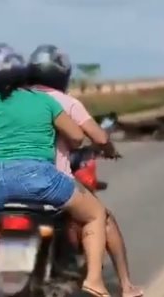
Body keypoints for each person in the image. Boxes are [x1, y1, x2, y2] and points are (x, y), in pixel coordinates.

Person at [0, 44, 111, 297]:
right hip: (38, 180)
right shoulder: (43, 101)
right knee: (95, 214)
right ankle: (94, 280)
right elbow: (77, 137)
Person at [26, 44, 143, 297]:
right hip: (52, 183)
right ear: (62, 74)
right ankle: (118, 284)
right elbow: (98, 138)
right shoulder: (65, 103)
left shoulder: (14, 102)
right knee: (102, 217)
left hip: (9, 183)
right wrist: (109, 149)